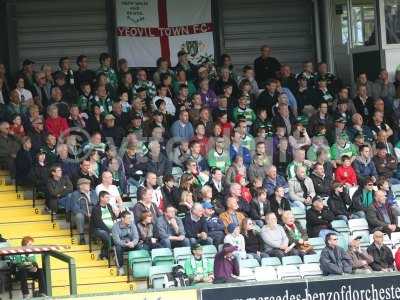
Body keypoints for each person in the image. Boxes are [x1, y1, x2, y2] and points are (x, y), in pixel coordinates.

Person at [70, 178, 98, 245]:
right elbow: (75, 208)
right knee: (79, 215)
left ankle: (94, 236)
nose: (88, 185)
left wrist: (94, 213)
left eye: (89, 184)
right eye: (86, 184)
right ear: (80, 186)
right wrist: (86, 213)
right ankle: (81, 237)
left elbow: (97, 204)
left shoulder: (93, 192)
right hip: (81, 215)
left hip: (92, 214)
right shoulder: (75, 194)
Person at [90, 191, 117, 260]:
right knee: (105, 234)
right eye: (107, 197)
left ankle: (104, 254)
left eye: (109, 197)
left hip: (111, 228)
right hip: (98, 229)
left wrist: (116, 224)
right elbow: (99, 223)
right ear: (101, 198)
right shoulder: (96, 209)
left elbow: (113, 217)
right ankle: (108, 253)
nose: (109, 199)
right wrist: (109, 231)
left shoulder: (109, 206)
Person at [112, 210, 139, 276]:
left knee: (139, 246)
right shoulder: (115, 226)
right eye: (128, 218)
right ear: (122, 219)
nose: (130, 220)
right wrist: (125, 244)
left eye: (130, 218)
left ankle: (136, 265)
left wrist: (133, 243)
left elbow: (136, 237)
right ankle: (120, 267)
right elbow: (116, 240)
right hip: (121, 245)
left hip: (131, 244)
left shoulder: (132, 224)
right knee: (118, 248)